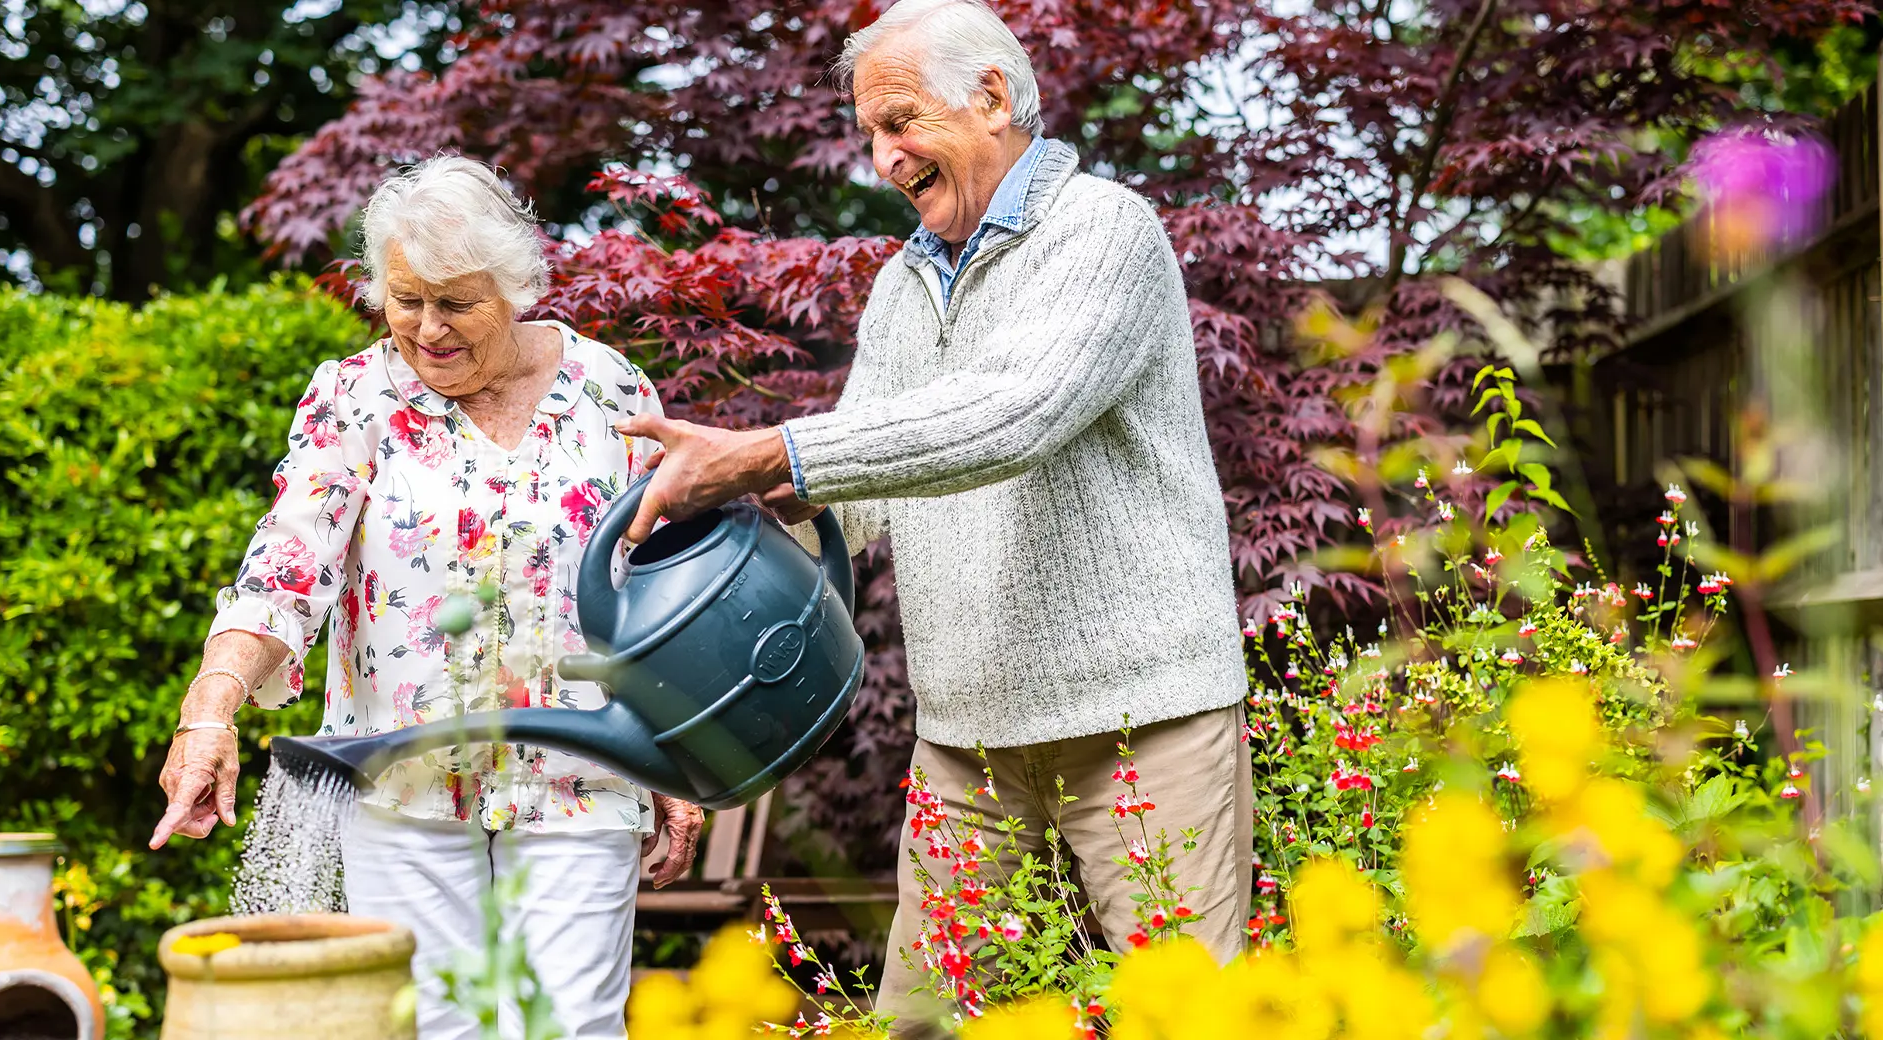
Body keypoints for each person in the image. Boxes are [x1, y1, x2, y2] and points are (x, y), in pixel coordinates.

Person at [609, 0, 1251, 1033]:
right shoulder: (904, 286)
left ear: (992, 96)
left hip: (1145, 716)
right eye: (869, 133)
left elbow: (1015, 412)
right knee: (923, 1021)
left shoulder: (1105, 231)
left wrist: (781, 453)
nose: (882, 156)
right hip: (968, 737)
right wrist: (709, 535)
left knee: (1187, 1020)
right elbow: (856, 492)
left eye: (900, 120)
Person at [150, 156, 703, 1040]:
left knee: (572, 1024)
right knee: (430, 1024)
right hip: (400, 775)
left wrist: (676, 758)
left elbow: (655, 584)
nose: (429, 328)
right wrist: (210, 706)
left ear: (515, 287)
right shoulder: (354, 394)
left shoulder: (611, 390)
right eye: (407, 300)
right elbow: (289, 563)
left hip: (582, 769)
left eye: (457, 302)